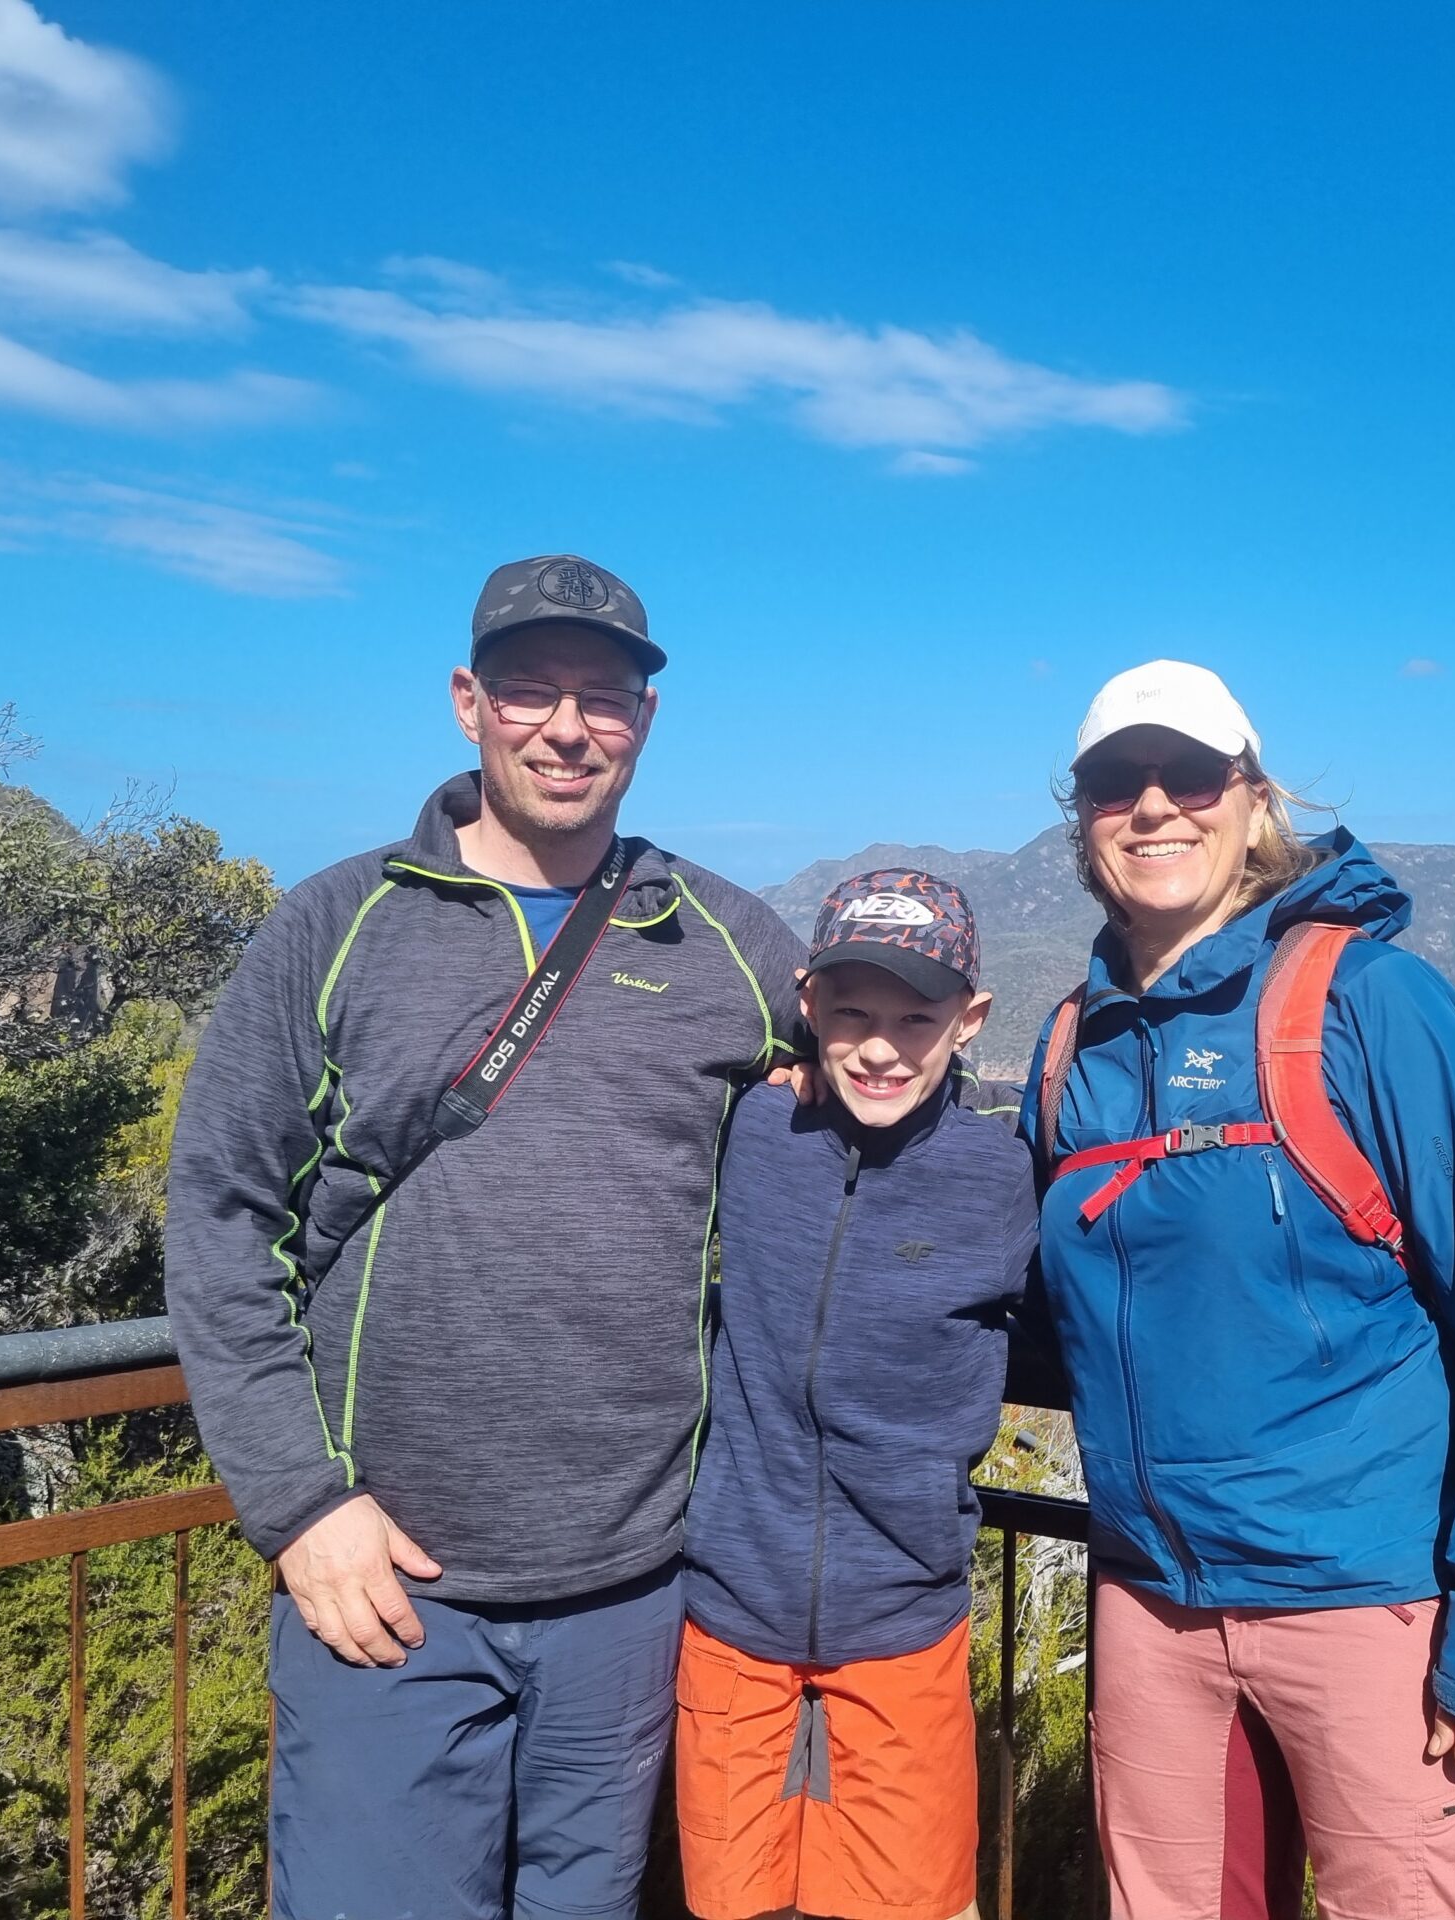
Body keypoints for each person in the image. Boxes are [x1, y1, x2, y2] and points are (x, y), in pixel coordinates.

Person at [164, 554, 808, 1920]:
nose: (566, 727)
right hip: (386, 1588)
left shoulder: (727, 942)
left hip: (637, 1595)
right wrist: (298, 1506)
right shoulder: (337, 927)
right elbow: (221, 1222)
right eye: (530, 691)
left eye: (604, 697)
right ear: (469, 703)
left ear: (645, 720)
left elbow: (871, 1103)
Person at [1022, 660, 1455, 1920]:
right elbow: (1024, 1289)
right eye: (1118, 781)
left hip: (1369, 1607)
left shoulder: (1368, 1003)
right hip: (1152, 1602)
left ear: (1253, 798)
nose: (1154, 805)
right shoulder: (1074, 1045)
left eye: (1191, 776)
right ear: (1081, 817)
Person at [675, 870, 1035, 1920]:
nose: (881, 1046)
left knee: (910, 1906)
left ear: (969, 1021)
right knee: (729, 1905)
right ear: (807, 1006)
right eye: (853, 1014)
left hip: (904, 1618)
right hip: (730, 1609)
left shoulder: (998, 1173)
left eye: (916, 1017)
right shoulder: (752, 1131)